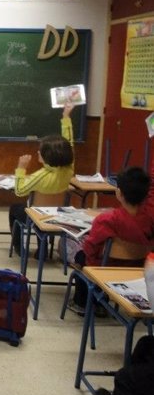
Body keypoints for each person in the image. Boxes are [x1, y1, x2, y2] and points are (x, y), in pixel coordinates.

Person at [68, 161, 154, 314]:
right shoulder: (150, 219)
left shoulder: (108, 219)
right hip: (139, 270)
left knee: (81, 256)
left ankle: (84, 303)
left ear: (119, 193)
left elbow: (91, 249)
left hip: (105, 268)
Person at [9, 103, 75, 255]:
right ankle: (43, 249)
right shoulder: (69, 168)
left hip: (37, 217)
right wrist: (66, 118)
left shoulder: (40, 176)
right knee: (42, 212)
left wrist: (21, 168)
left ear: (46, 157)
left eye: (40, 151)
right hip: (59, 215)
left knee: (16, 209)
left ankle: (19, 248)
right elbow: (69, 143)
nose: (37, 152)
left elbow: (19, 191)